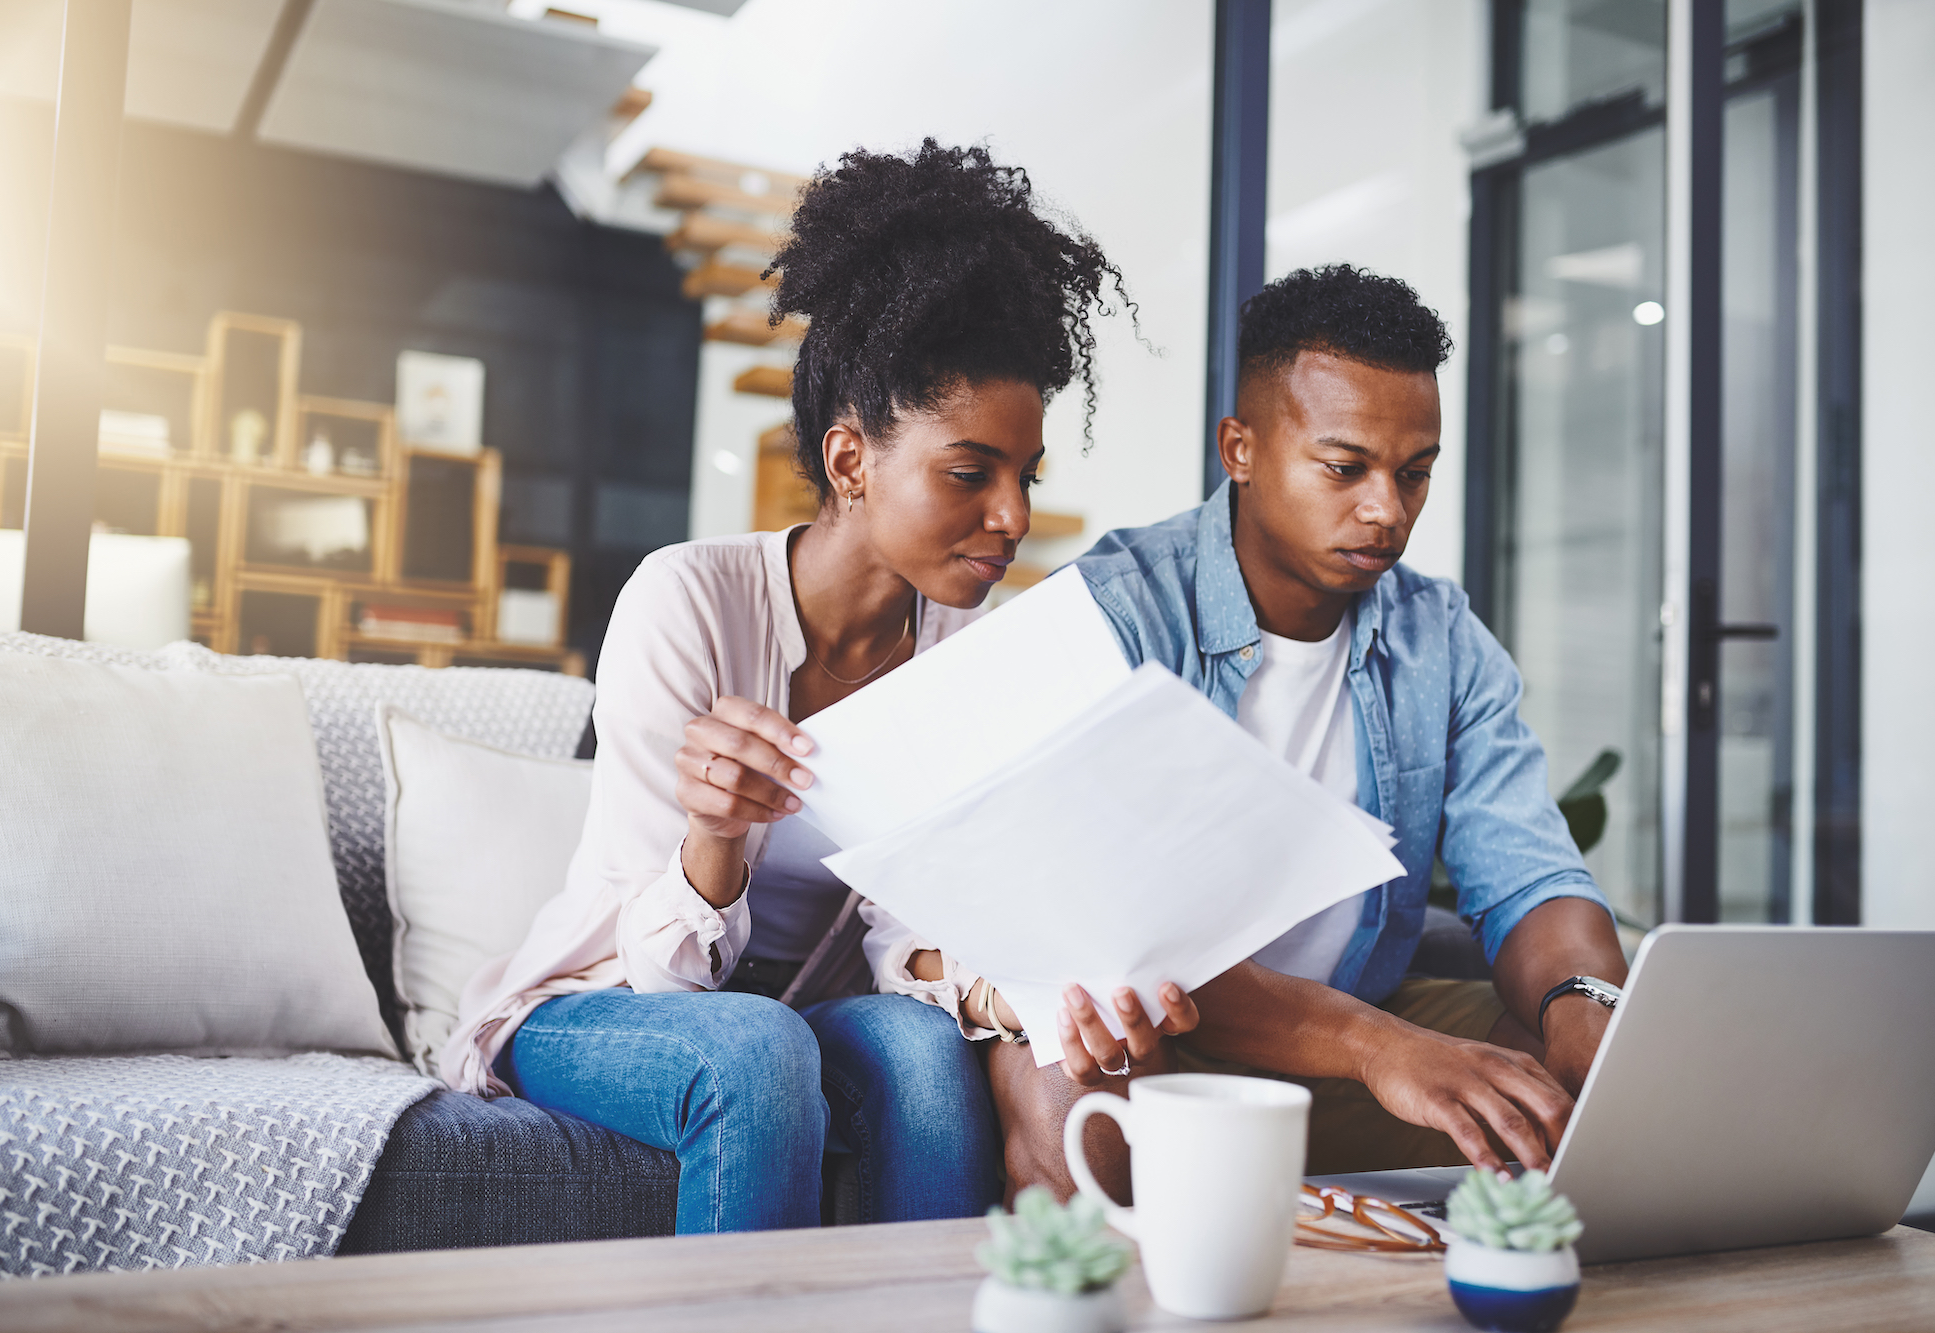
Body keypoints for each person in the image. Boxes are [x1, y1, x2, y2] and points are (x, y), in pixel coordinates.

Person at [439, 140, 1186, 1234]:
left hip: (810, 1008)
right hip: (607, 999)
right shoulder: (683, 601)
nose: (1013, 518)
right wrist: (712, 837)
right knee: (755, 1048)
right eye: (968, 472)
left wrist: (1008, 996)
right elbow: (664, 980)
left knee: (926, 1058)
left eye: (1024, 477)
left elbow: (904, 933)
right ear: (849, 461)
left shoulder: (967, 657)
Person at [990, 264, 1630, 1197]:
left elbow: (1529, 870)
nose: (1388, 509)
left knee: (1576, 1069)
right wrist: (1381, 1050)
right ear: (1240, 448)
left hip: (1353, 1028)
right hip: (1158, 1037)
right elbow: (1129, 942)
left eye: (1415, 474)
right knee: (1068, 1080)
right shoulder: (1114, 615)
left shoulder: (1439, 637)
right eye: (1347, 468)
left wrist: (1586, 1007)